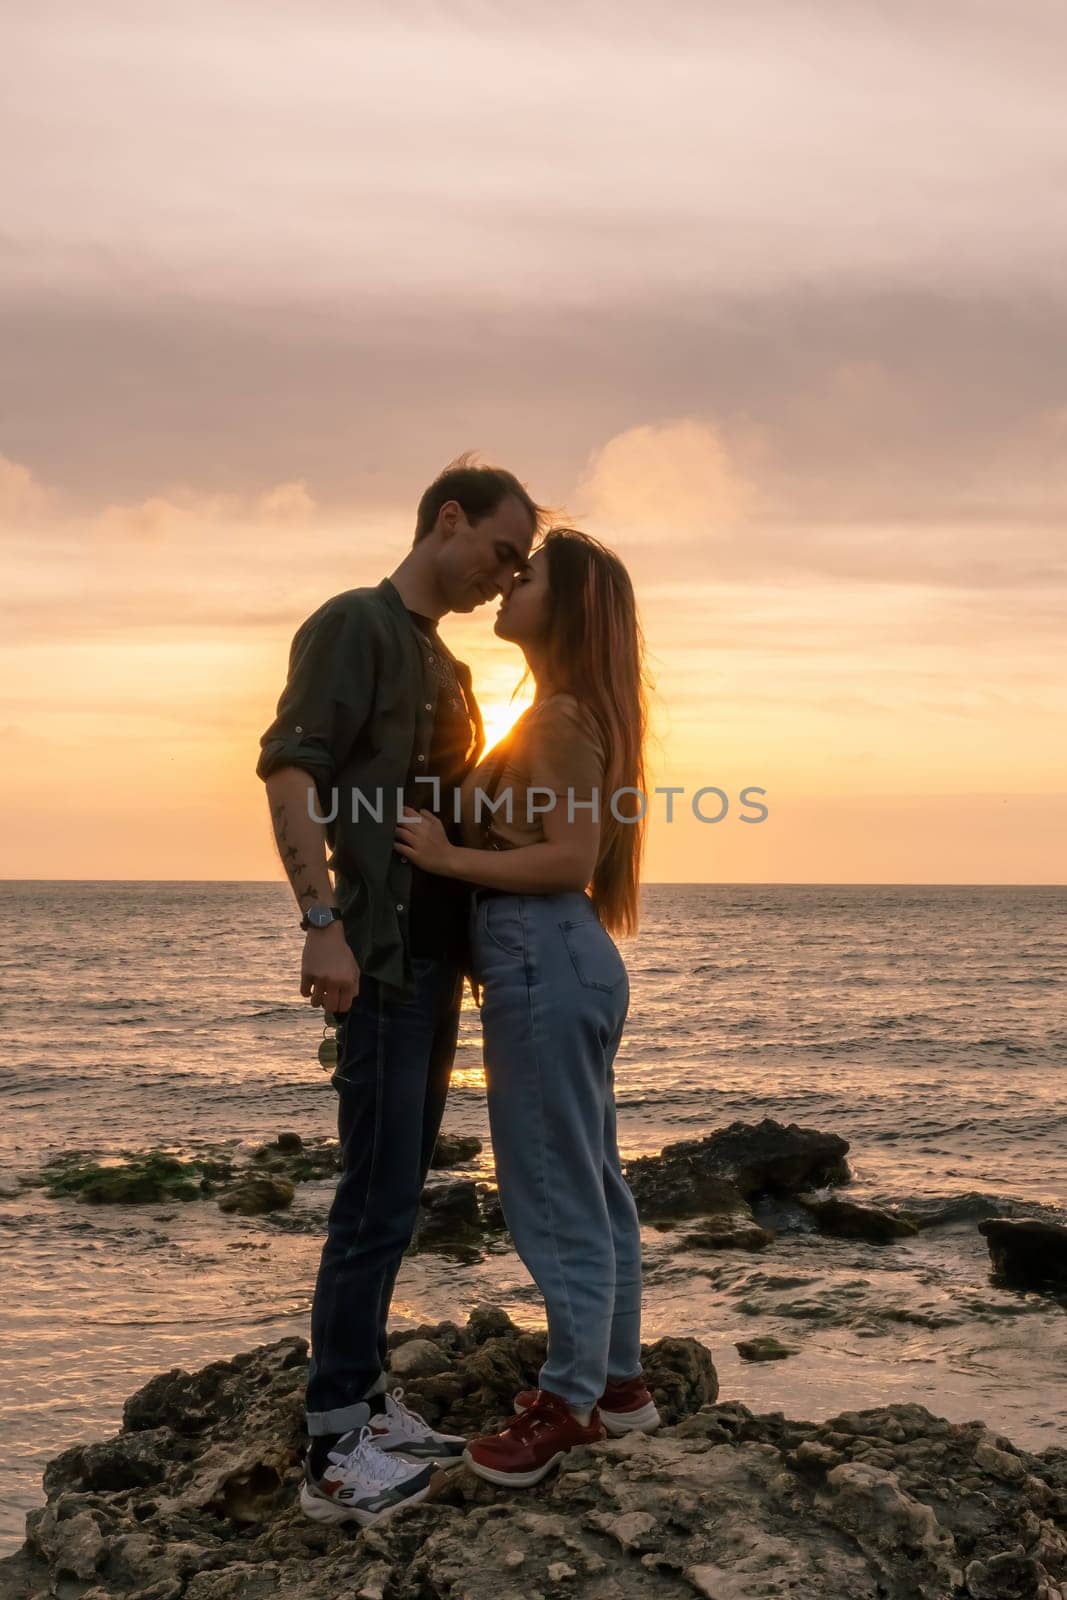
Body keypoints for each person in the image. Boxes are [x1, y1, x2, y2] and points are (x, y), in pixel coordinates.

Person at [255, 455, 543, 1526]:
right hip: (373, 957)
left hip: (432, 965)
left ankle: (370, 1400)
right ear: (447, 519)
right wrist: (319, 922)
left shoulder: (447, 667)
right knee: (369, 1199)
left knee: (396, 1192)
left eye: (519, 565)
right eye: (499, 551)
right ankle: (334, 1448)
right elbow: (292, 769)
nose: (501, 576)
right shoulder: (353, 625)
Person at [394, 526, 660, 1489]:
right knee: (592, 1181)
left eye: (528, 575)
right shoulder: (568, 710)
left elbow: (566, 861)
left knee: (551, 1192)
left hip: (543, 947)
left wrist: (443, 856)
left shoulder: (555, 718)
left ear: (569, 606)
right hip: (565, 956)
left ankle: (570, 1403)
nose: (509, 584)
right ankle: (621, 1385)